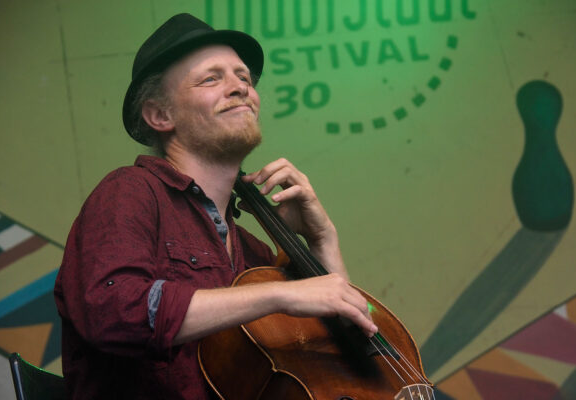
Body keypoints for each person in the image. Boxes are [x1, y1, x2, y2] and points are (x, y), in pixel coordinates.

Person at [54, 13, 377, 399]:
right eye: (212, 78)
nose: (240, 88)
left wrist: (323, 240)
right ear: (160, 115)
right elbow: (112, 311)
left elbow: (351, 349)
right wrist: (280, 295)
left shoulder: (253, 253)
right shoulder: (130, 192)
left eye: (244, 78)